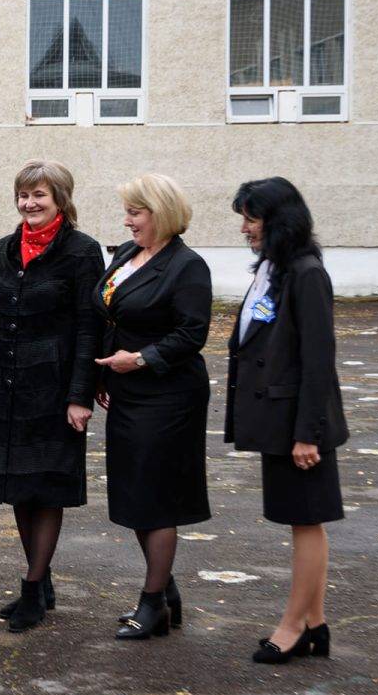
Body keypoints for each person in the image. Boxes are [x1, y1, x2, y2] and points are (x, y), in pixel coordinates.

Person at [0, 161, 104, 632]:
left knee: (46, 490)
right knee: (19, 489)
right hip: (6, 388)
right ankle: (40, 578)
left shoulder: (83, 252)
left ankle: (32, 587)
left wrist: (80, 395)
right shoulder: (7, 248)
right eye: (24, 195)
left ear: (60, 199)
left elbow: (91, 328)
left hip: (53, 392)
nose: (29, 203)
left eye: (40, 195)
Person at [226, 177, 347, 664]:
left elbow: (319, 360)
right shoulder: (274, 268)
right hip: (280, 420)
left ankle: (293, 625)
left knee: (305, 522)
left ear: (279, 221)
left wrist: (306, 434)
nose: (243, 228)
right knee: (303, 519)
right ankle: (315, 624)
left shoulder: (305, 272)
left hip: (300, 427)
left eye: (251, 219)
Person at [93, 173, 212, 641]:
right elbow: (110, 312)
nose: (127, 221)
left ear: (160, 213)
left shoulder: (187, 266)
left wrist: (138, 359)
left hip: (168, 395)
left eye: (135, 213)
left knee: (156, 498)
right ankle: (166, 590)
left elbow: (191, 333)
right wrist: (105, 372)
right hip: (126, 390)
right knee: (134, 493)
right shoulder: (127, 255)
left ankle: (152, 602)